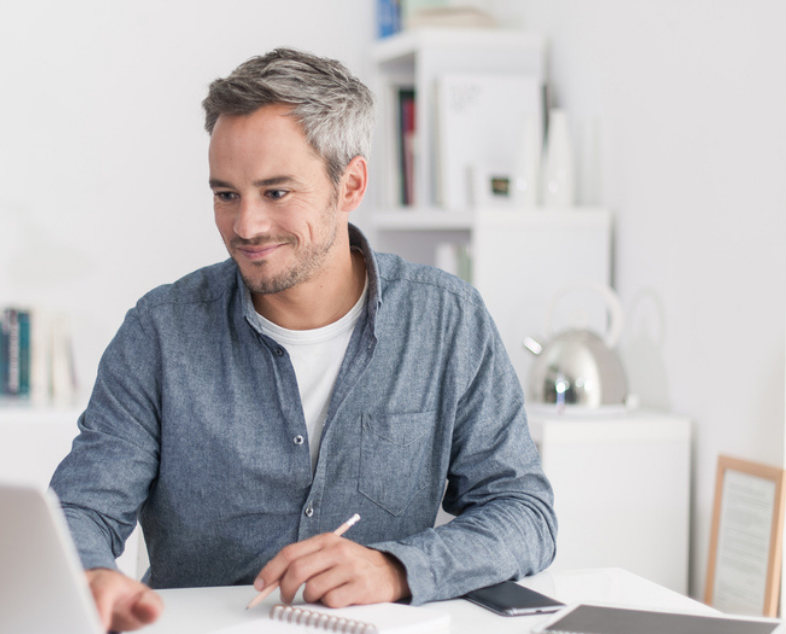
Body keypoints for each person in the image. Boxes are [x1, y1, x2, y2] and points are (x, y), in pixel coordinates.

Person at [49, 47, 557, 632]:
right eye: (225, 194)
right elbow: (81, 508)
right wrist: (89, 573)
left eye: (276, 192)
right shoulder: (160, 332)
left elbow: (524, 513)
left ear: (351, 185)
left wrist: (396, 567)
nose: (247, 227)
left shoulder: (447, 320)